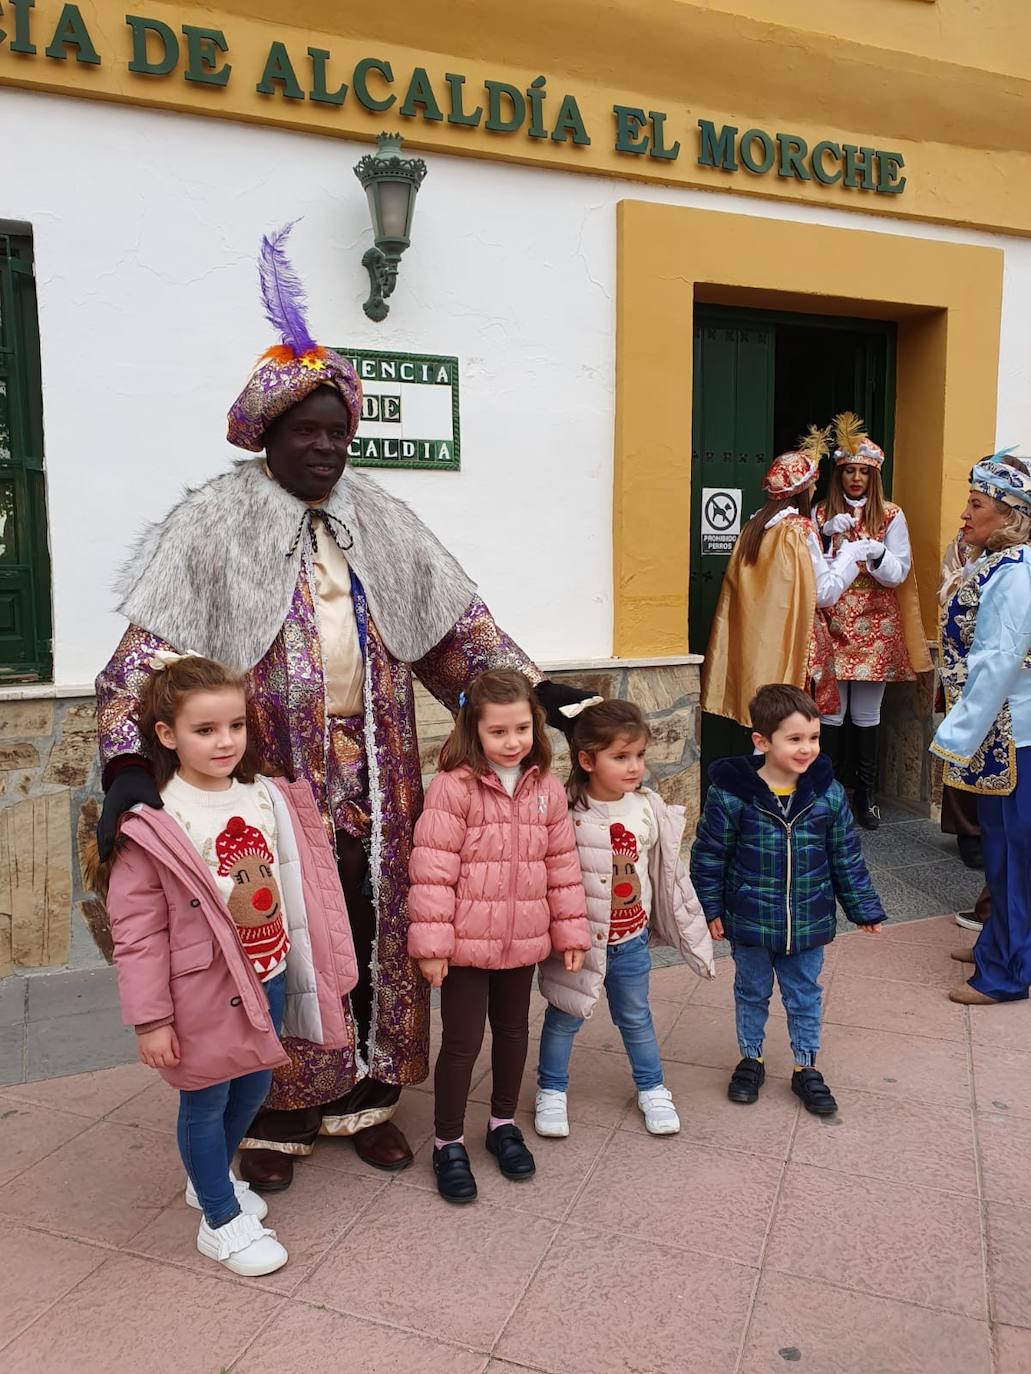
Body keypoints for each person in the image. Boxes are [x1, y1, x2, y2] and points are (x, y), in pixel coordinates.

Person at [94, 225, 591, 1190]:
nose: (324, 447)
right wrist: (126, 769)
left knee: (375, 929)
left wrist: (542, 697)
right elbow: (140, 668)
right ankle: (280, 1112)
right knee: (283, 928)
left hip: (380, 769)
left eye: (337, 432)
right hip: (273, 777)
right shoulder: (214, 528)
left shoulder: (379, 519)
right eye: (306, 432)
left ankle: (367, 1098)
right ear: (268, 437)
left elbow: (456, 636)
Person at [89, 653, 357, 1276]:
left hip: (263, 976)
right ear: (166, 735)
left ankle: (205, 1176)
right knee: (206, 1101)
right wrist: (152, 1019)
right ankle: (219, 1218)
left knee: (256, 1084)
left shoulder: (264, 796)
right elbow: (137, 934)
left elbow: (295, 882)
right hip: (199, 992)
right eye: (204, 730)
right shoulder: (154, 822)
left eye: (234, 726)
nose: (223, 742)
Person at [407, 670, 590, 1203]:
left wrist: (570, 930)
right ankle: (448, 1142)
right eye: (498, 732)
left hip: (523, 941)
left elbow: (562, 865)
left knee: (513, 1034)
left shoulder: (546, 790)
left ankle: (503, 1125)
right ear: (474, 730)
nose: (512, 743)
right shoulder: (453, 788)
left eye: (522, 730)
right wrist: (433, 946)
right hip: (464, 947)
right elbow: (433, 871)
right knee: (462, 1043)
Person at [691, 684, 886, 1114]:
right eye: (794, 739)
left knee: (804, 995)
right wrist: (710, 908)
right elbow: (709, 855)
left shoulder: (828, 794)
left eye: (813, 738)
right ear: (762, 742)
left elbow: (846, 857)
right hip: (751, 920)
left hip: (809, 922)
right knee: (751, 990)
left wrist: (863, 907)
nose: (807, 749)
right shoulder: (732, 795)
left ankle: (806, 1066)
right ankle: (751, 1057)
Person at [534, 698, 715, 1140]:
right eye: (620, 757)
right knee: (564, 1015)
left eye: (639, 756)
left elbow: (666, 874)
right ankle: (551, 1091)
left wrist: (688, 922)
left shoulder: (649, 808)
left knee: (635, 1015)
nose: (634, 767)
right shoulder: (567, 814)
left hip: (631, 939)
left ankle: (652, 1088)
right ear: (587, 759)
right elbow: (552, 879)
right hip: (576, 943)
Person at [931, 453, 1031, 1005]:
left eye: (976, 504)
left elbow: (998, 660)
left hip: (1012, 732)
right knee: (1004, 848)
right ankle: (1000, 942)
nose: (965, 514)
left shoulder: (1015, 574)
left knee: (1011, 852)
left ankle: (1006, 974)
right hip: (1003, 728)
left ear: (1009, 514)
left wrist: (954, 736)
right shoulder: (997, 564)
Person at [702, 427, 867, 729]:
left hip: (758, 645)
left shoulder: (753, 527)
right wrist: (850, 556)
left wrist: (825, 534)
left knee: (766, 727)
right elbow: (823, 593)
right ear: (802, 489)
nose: (815, 491)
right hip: (792, 644)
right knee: (787, 725)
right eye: (813, 486)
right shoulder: (799, 530)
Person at [814, 413, 932, 829]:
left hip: (877, 623)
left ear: (874, 477)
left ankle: (866, 794)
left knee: (866, 713)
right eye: (850, 471)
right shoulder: (821, 513)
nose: (857, 480)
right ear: (839, 474)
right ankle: (826, 794)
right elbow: (813, 569)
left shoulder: (892, 515)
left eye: (864, 473)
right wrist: (829, 536)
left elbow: (899, 571)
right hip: (833, 620)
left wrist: (877, 554)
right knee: (829, 710)